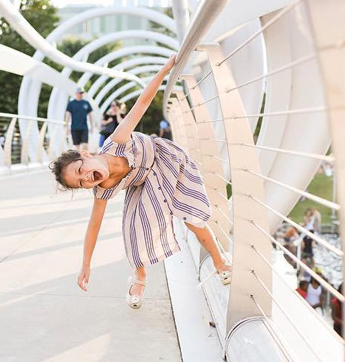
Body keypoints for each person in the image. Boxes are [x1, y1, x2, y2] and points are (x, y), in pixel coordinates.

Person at [50, 56, 231, 309]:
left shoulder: (117, 141)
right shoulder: (103, 189)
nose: (86, 177)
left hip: (164, 162)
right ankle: (140, 275)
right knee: (133, 228)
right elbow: (94, 227)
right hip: (142, 183)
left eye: (82, 169)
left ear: (87, 155)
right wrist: (86, 264)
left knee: (192, 217)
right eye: (81, 183)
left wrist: (166, 68)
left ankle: (220, 261)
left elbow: (143, 102)